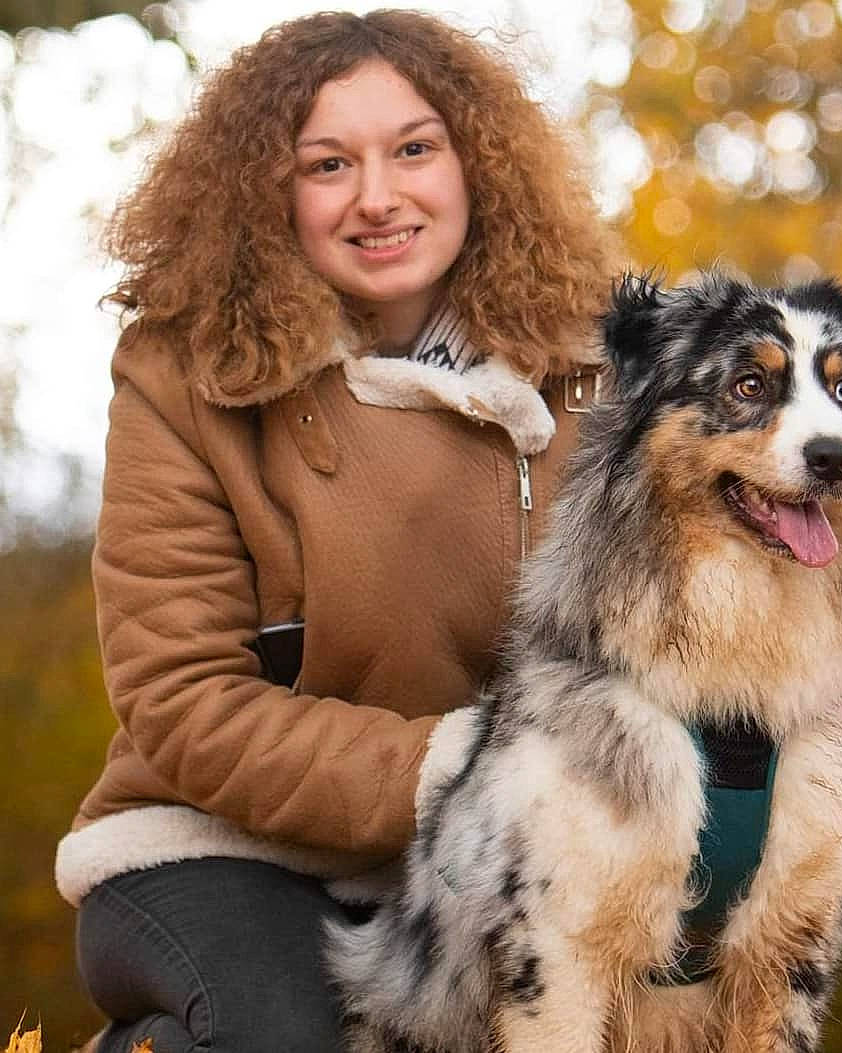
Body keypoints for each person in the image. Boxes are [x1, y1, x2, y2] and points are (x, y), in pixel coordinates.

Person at [55, 10, 618, 1052]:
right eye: (326, 164)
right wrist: (463, 765)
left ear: (475, 168)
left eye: (414, 149)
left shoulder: (591, 370)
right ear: (270, 195)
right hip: (217, 851)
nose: (377, 197)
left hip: (495, 858)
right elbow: (181, 704)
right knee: (289, 1036)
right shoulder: (181, 375)